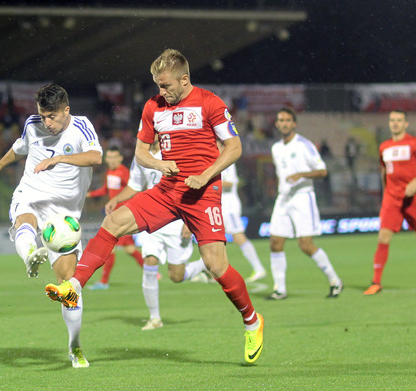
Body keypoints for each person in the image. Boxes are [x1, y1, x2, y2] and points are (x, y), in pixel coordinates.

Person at [45, 49, 264, 364]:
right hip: (167, 190)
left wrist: (204, 176)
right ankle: (74, 285)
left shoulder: (210, 103)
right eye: (157, 85)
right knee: (113, 224)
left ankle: (252, 321)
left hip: (203, 192)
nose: (161, 92)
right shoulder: (153, 107)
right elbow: (142, 153)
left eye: (165, 86)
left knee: (216, 266)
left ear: (184, 79)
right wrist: (160, 165)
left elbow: (234, 147)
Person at [0, 83, 102, 368]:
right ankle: (31, 253)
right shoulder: (32, 124)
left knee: (68, 287)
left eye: (52, 116)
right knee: (24, 217)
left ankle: (75, 346)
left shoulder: (81, 127)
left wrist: (59, 158)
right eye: (43, 116)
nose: (47, 122)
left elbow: (96, 157)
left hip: (64, 215)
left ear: (66, 110)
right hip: (31, 194)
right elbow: (19, 148)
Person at [104, 136, 197, 330]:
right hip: (151, 220)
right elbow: (135, 185)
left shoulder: (175, 151)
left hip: (176, 220)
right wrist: (116, 199)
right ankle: (155, 318)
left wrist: (189, 220)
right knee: (149, 262)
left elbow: (189, 185)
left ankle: (203, 265)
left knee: (176, 276)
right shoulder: (142, 155)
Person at [267, 107, 343, 300]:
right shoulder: (276, 148)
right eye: (280, 120)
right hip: (283, 198)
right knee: (275, 243)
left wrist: (301, 174)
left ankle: (335, 280)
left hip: (302, 197)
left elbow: (322, 171)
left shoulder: (304, 145)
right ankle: (279, 289)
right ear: (277, 124)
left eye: (287, 120)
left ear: (294, 124)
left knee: (306, 245)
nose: (283, 124)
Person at [364, 110, 416, 295]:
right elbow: (384, 171)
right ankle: (376, 282)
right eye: (392, 120)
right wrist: (385, 193)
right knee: (383, 236)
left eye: (399, 120)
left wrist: (415, 182)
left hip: (414, 198)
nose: (395, 123)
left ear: (406, 124)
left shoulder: (415, 143)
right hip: (392, 198)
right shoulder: (384, 146)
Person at [185, 159, 267, 284]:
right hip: (215, 203)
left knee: (238, 236)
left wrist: (206, 180)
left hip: (228, 205)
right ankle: (210, 271)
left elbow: (230, 183)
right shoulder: (209, 160)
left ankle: (258, 268)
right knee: (211, 237)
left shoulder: (226, 161)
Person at [86, 146, 144, 290]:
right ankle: (152, 272)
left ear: (120, 158)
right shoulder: (110, 172)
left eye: (114, 157)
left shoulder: (124, 173)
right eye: (109, 157)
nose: (111, 160)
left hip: (123, 217)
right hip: (114, 216)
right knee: (130, 249)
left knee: (109, 248)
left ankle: (104, 282)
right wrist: (89, 195)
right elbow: (106, 190)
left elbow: (135, 190)